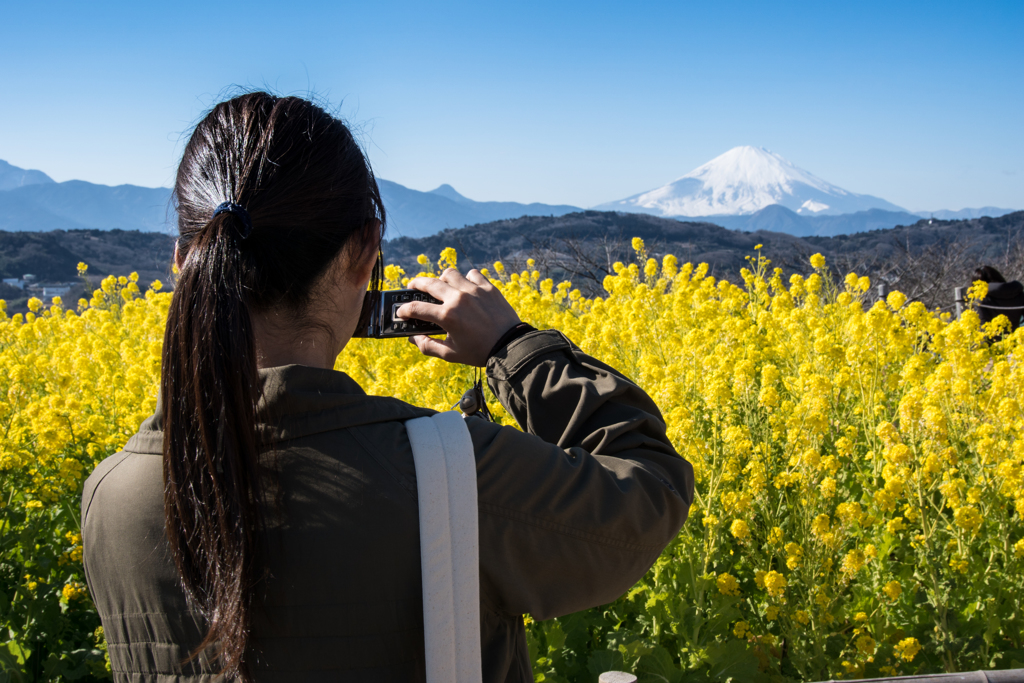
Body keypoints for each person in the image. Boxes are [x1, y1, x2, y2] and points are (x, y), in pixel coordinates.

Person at [81, 93, 694, 683]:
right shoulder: (449, 477)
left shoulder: (111, 496)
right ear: (364, 254)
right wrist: (515, 349)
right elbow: (649, 491)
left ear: (183, 263)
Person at [972, 265, 1024, 333]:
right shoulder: (1019, 294)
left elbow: (983, 330)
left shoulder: (980, 300)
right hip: (1017, 338)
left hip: (992, 339)